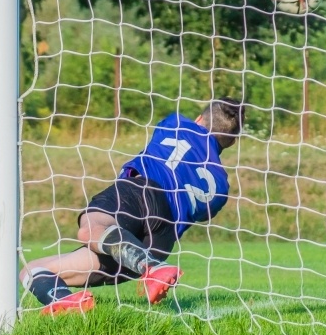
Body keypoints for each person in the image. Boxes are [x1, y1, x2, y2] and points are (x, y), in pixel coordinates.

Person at [20, 97, 245, 315]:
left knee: (91, 227)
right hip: (161, 239)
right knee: (32, 269)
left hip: (141, 192)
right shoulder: (220, 186)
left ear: (198, 119)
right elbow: (199, 213)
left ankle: (151, 267)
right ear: (233, 141)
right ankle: (63, 300)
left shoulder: (175, 122)